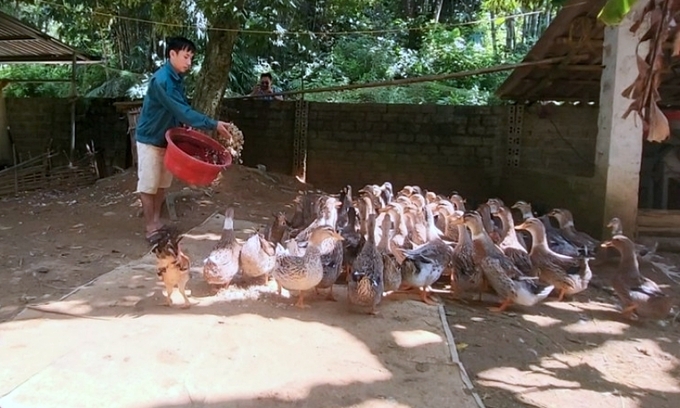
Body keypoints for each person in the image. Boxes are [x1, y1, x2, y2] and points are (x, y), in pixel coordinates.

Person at [134, 36, 232, 244]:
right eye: (186, 56)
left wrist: (182, 126)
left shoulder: (176, 79)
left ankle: (157, 221)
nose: (189, 62)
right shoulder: (162, 80)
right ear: (172, 54)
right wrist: (213, 124)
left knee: (161, 184)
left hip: (168, 140)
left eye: (191, 58)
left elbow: (177, 110)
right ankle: (150, 227)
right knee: (148, 184)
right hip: (150, 139)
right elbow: (182, 109)